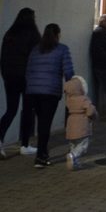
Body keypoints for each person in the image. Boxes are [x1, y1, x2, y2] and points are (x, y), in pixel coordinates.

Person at [25, 23, 75, 167]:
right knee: (45, 123)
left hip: (33, 91)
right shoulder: (62, 49)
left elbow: (29, 70)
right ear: (58, 34)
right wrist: (70, 88)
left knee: (41, 122)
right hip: (50, 92)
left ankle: (42, 152)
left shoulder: (36, 50)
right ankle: (41, 156)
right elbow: (68, 71)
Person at [0, 8, 41, 158]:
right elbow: (37, 56)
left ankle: (0, 138)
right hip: (27, 77)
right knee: (28, 110)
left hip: (9, 76)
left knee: (11, 109)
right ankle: (25, 144)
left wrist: (5, 73)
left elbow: (3, 57)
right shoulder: (33, 35)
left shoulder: (9, 34)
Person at [64, 75, 97, 171]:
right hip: (81, 124)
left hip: (70, 123)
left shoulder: (68, 100)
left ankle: (75, 162)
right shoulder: (84, 99)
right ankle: (73, 155)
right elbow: (90, 111)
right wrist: (93, 116)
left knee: (73, 144)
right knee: (83, 145)